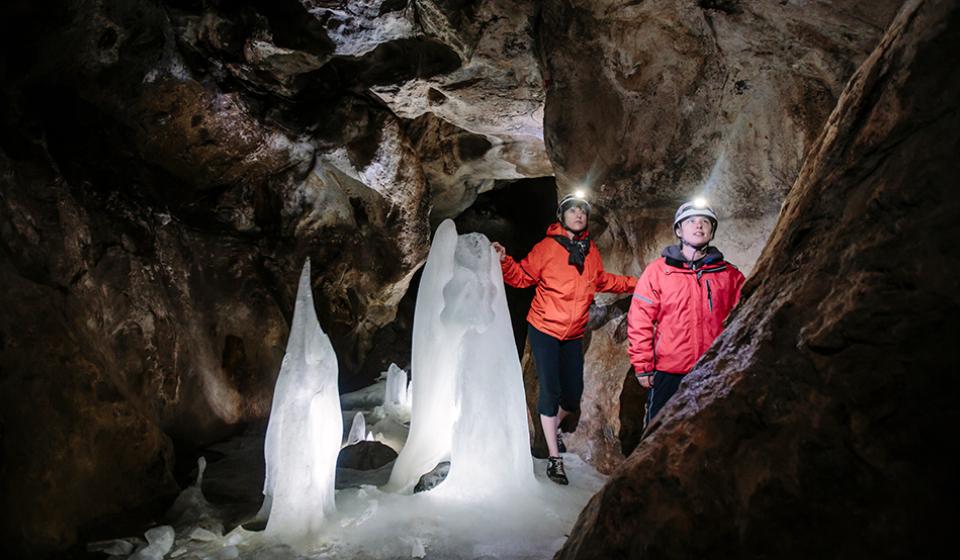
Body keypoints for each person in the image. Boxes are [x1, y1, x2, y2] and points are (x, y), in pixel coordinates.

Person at [492, 192, 637, 485]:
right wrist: (506, 261)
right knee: (550, 390)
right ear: (561, 217)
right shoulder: (547, 248)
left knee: (571, 395)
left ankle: (551, 427)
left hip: (572, 333)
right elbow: (521, 277)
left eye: (582, 212)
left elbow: (604, 281)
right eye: (572, 211)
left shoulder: (590, 250)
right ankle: (554, 458)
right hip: (544, 328)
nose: (578, 215)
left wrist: (638, 282)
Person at [627, 199, 746, 427]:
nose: (698, 226)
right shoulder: (658, 272)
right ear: (679, 230)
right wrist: (643, 367)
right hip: (669, 372)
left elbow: (744, 320)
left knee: (712, 433)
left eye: (705, 222)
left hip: (714, 369)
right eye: (690, 221)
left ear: (712, 231)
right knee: (657, 435)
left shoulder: (729, 275)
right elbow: (639, 320)